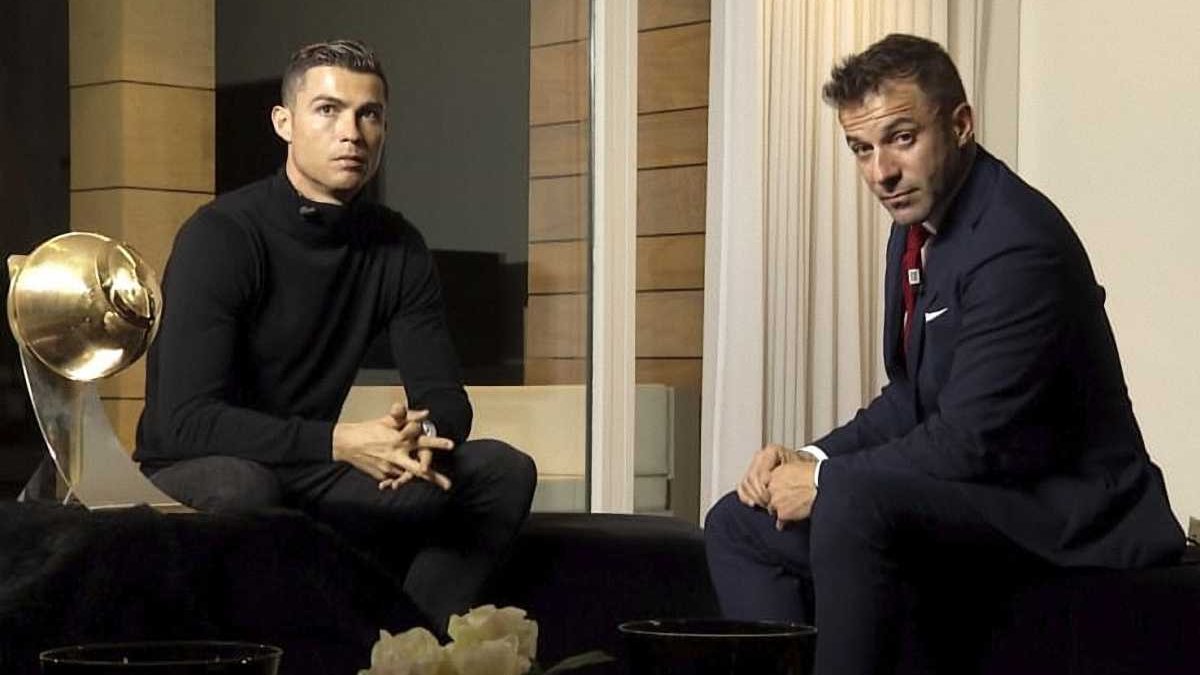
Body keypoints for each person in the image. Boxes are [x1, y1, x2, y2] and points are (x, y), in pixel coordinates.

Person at [704, 33, 1184, 675]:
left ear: (960, 125)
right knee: (738, 522)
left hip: (1064, 509)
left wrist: (822, 482)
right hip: (980, 491)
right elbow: (911, 397)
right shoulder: (915, 227)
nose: (881, 172)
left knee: (851, 502)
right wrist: (809, 457)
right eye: (862, 149)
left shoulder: (1016, 244)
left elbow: (969, 441)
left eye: (902, 138)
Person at [133, 39, 537, 631]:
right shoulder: (221, 235)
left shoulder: (397, 246)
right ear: (285, 123)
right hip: (199, 467)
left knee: (501, 470)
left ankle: (408, 649)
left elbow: (446, 400)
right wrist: (338, 442)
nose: (351, 132)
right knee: (245, 485)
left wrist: (417, 436)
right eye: (328, 110)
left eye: (368, 114)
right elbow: (184, 422)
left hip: (313, 466)